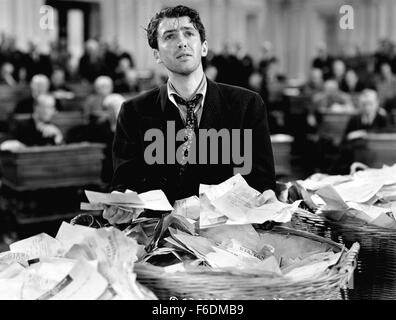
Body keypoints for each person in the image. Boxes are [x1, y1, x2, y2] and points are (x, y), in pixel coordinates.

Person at [105, 5, 276, 224]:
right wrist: (120, 198)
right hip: (161, 232)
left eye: (189, 33)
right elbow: (124, 181)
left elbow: (261, 181)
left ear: (203, 47)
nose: (182, 42)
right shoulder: (133, 112)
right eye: (169, 36)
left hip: (228, 232)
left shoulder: (247, 104)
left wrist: (267, 194)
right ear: (156, 54)